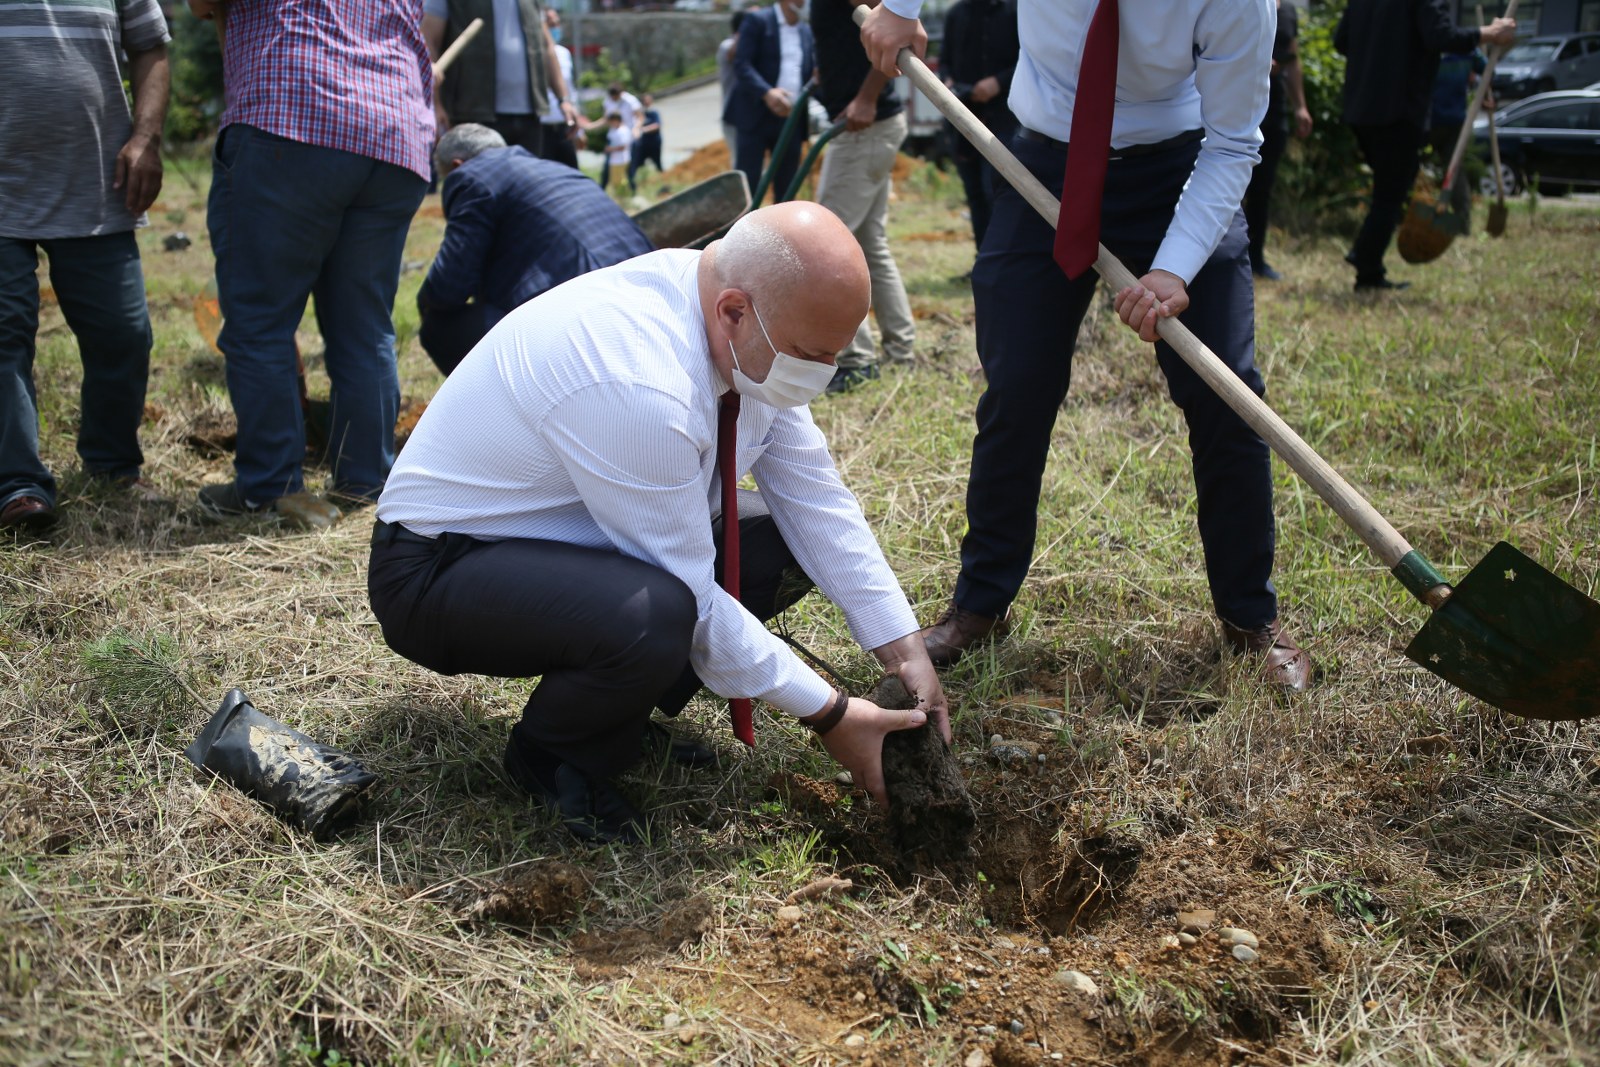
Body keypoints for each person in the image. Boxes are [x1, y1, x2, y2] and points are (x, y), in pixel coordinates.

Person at [368, 203, 949, 844]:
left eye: (833, 356)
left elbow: (814, 499)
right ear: (733, 310)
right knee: (657, 613)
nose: (821, 375)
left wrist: (904, 649)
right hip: (443, 564)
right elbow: (695, 595)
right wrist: (833, 714)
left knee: (775, 541)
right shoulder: (636, 377)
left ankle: (616, 710)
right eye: (811, 356)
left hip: (570, 540)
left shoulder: (738, 322)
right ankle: (553, 757)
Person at [860, 0, 1313, 690]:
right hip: (1041, 162)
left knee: (1228, 397)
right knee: (1017, 387)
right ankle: (981, 604)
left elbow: (1232, 143)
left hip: (1181, 170)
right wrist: (900, 8)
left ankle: (1249, 618)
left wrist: (1174, 266)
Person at [190, 0, 436, 521]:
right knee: (364, 325)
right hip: (394, 128)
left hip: (295, 111)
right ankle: (365, 481)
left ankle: (271, 487)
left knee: (259, 321)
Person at [0, 0, 169, 533]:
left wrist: (146, 137)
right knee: (4, 332)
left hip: (95, 186)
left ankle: (112, 462)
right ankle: (16, 484)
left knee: (123, 334)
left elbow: (151, 48)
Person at [417, 124, 654, 375]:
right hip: (648, 301)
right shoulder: (556, 169)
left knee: (438, 327)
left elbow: (449, 288)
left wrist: (426, 303)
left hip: (586, 329)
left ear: (456, 166)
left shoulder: (472, 177)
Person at [1335, 0, 1514, 291]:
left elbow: (1341, 40)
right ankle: (1366, 266)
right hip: (1400, 110)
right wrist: (1488, 33)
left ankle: (1367, 263)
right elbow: (1439, 37)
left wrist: (1379, 51)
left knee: (1386, 191)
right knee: (1390, 196)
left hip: (1361, 108)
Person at [811, 0, 917, 395]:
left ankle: (857, 360)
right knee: (870, 244)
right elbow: (850, 33)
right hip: (868, 125)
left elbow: (895, 33)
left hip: (865, 126)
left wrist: (868, 96)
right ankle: (900, 347)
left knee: (825, 245)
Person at [423, 0, 580, 155]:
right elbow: (429, 41)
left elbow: (547, 48)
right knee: (479, 178)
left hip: (529, 116)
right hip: (473, 113)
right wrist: (435, 104)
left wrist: (564, 100)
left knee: (525, 178)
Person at [939, 0, 1019, 256]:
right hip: (964, 118)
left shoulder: (1016, 10)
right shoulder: (957, 14)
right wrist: (948, 80)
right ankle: (983, 258)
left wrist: (998, 82)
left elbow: (1029, 61)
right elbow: (945, 61)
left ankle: (1002, 259)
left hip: (1005, 118)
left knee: (994, 191)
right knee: (974, 192)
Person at [1242, 0, 1312, 282]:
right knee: (1234, 188)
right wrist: (1255, 63)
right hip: (1240, 107)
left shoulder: (1289, 12)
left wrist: (1301, 106)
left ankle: (1256, 258)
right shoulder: (1241, 5)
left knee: (1262, 190)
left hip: (1275, 109)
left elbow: (1293, 60)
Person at [726, 0, 815, 207]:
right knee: (748, 183)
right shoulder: (758, 21)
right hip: (755, 115)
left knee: (787, 185)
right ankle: (742, 235)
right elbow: (742, 64)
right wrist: (767, 93)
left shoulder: (805, 31)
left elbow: (811, 72)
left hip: (790, 118)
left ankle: (779, 236)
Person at [1428, 49, 1487, 221]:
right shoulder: (1466, 51)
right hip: (1452, 120)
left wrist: (1483, 95)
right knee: (1454, 170)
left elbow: (1487, 71)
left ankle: (1402, 213)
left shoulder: (1427, 43)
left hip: (1428, 119)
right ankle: (1462, 219)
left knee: (1452, 170)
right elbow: (1488, 70)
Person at [537, 8, 581, 168]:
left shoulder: (564, 53)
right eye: (550, 24)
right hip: (541, 127)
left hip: (563, 126)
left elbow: (570, 90)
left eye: (557, 23)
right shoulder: (533, 54)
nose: (555, 27)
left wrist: (578, 126)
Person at [718, 11, 748, 159]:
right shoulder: (727, 45)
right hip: (732, 115)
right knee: (740, 159)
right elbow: (734, 53)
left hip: (748, 115)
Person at [628, 93, 665, 192]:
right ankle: (637, 189)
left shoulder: (653, 112)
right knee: (636, 166)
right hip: (642, 145)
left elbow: (657, 126)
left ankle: (665, 185)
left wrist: (643, 130)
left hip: (654, 143)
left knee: (658, 165)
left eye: (647, 100)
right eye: (644, 101)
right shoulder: (640, 114)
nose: (646, 103)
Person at [601, 113, 633, 192]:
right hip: (614, 160)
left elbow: (623, 146)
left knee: (620, 181)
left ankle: (625, 193)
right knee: (615, 180)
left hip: (620, 160)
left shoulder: (623, 131)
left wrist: (610, 149)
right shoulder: (612, 130)